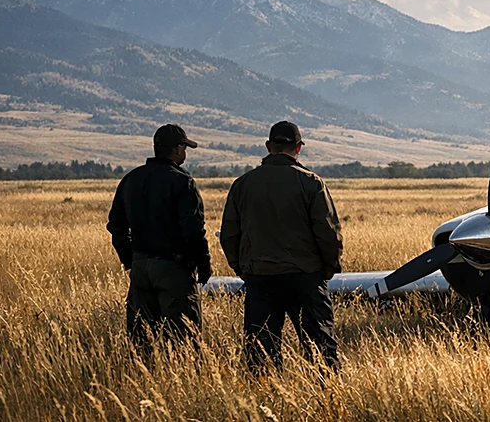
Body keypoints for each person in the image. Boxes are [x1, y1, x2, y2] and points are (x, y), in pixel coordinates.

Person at [220, 121, 343, 373]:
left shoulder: (243, 184)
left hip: (261, 277)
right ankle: (326, 397)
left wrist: (243, 268)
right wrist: (327, 269)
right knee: (319, 347)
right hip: (306, 276)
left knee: (261, 350)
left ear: (268, 147)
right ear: (298, 148)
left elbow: (229, 235)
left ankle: (266, 400)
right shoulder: (311, 182)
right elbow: (328, 233)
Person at [107, 123, 212, 354]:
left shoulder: (131, 179)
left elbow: (116, 226)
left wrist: (130, 259)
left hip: (141, 267)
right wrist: (203, 266)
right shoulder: (182, 182)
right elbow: (194, 231)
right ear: (176, 150)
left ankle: (142, 382)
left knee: (141, 339)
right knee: (184, 341)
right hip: (173, 268)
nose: (185, 153)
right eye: (184, 147)